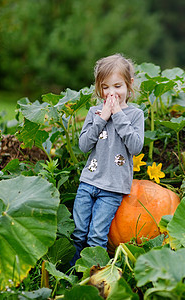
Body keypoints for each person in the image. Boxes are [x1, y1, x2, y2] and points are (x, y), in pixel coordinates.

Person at [70, 54, 144, 266]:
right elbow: (84, 146)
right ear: (98, 88)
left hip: (112, 188)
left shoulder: (135, 115)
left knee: (96, 237)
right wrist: (102, 118)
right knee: (78, 233)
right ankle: (72, 274)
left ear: (129, 86)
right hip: (88, 182)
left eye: (117, 86)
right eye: (105, 87)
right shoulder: (95, 112)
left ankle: (95, 274)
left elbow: (136, 147)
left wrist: (118, 114)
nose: (111, 93)